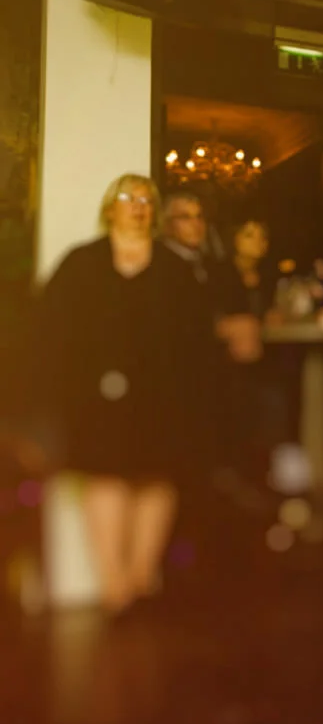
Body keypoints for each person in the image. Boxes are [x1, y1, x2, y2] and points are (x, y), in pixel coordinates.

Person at [38, 173, 212, 614]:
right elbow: (50, 333)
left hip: (163, 395)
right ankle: (114, 587)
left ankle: (141, 576)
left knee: (156, 477)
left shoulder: (175, 269)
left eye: (147, 199)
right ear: (109, 207)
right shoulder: (80, 262)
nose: (139, 204)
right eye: (128, 197)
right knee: (104, 477)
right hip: (95, 396)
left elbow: (196, 339)